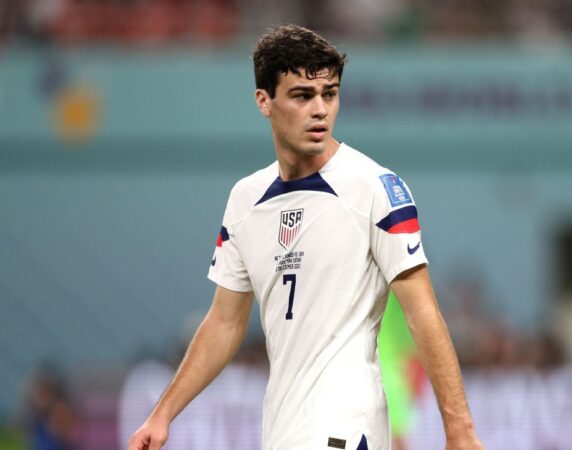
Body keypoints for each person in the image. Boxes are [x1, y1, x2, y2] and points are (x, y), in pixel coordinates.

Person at [127, 24, 482, 450]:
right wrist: (162, 414)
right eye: (302, 96)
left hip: (346, 428)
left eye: (329, 94)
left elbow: (422, 312)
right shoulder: (245, 201)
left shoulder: (375, 188)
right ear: (264, 101)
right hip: (282, 430)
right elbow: (224, 322)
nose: (320, 110)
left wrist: (460, 430)